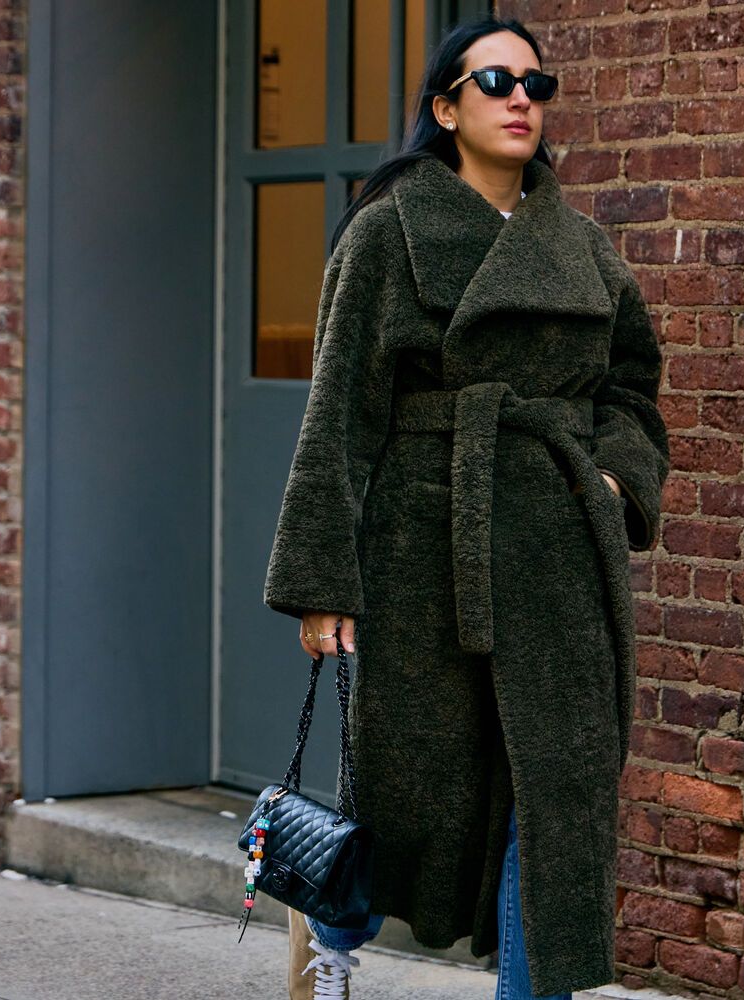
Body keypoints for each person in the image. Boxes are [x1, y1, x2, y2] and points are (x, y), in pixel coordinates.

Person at [265, 13, 669, 1000]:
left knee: (560, 792)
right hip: (422, 545)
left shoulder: (581, 246)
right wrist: (325, 576)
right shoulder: (388, 234)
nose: (521, 98)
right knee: (408, 790)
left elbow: (632, 387)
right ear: (445, 107)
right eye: (494, 83)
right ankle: (329, 931)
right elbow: (340, 413)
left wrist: (611, 481)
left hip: (561, 552)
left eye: (536, 84)